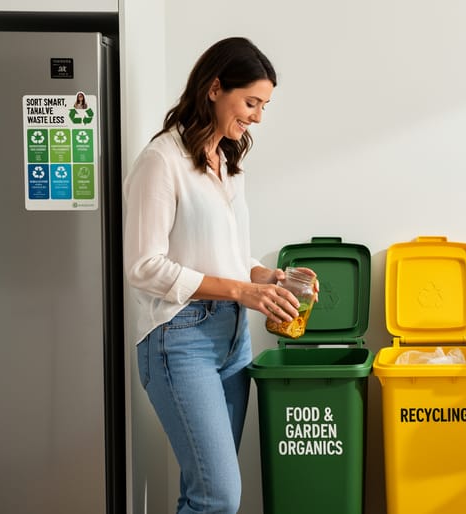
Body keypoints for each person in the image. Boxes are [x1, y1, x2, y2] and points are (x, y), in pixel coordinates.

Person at [123, 37, 310, 514]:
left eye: (264, 105)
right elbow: (143, 266)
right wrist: (241, 290)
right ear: (214, 89)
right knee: (219, 496)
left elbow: (226, 255)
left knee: (203, 492)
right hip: (179, 340)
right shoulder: (160, 162)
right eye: (251, 102)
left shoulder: (228, 163)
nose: (257, 117)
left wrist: (267, 277)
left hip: (232, 340)